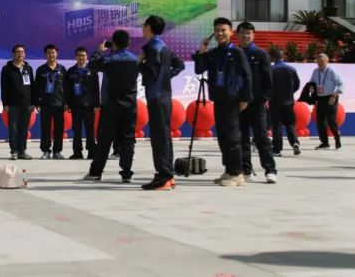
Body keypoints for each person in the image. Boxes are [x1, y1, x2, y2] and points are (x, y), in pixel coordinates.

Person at [193, 17, 252, 187]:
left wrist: (245, 98)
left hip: (233, 99)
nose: (219, 33)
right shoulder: (213, 53)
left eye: (223, 30)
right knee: (223, 137)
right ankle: (229, 170)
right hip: (218, 99)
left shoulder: (237, 52)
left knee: (233, 137)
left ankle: (237, 173)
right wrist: (202, 50)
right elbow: (199, 69)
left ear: (231, 32)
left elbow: (247, 76)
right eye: (217, 30)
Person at [83, 30, 139, 183]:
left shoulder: (110, 60)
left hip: (111, 106)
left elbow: (92, 65)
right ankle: (126, 173)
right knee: (128, 140)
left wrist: (99, 51)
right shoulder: (136, 60)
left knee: (104, 140)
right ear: (128, 43)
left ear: (113, 43)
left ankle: (96, 172)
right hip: (130, 106)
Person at [139, 15, 185, 190]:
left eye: (144, 25)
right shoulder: (163, 46)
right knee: (165, 136)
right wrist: (166, 77)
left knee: (159, 137)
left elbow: (150, 72)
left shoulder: (152, 48)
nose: (143, 29)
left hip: (156, 97)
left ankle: (163, 175)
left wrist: (139, 63)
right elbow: (179, 65)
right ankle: (168, 174)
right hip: (165, 96)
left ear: (149, 27)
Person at [236, 22, 277, 184]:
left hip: (257, 103)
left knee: (261, 137)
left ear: (253, 35)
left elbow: (268, 79)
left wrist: (264, 98)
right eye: (243, 33)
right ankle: (246, 170)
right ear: (237, 35)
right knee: (242, 138)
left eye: (249, 33)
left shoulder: (261, 54)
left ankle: (270, 170)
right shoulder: (234, 53)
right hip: (239, 103)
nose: (246, 36)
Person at [1, 44, 35, 160]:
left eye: (22, 52)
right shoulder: (7, 69)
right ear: (13, 54)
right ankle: (14, 151)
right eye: (18, 52)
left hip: (26, 104)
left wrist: (33, 102)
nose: (21, 54)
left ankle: (22, 151)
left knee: (24, 129)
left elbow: (32, 86)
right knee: (13, 129)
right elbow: (4, 88)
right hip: (13, 105)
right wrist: (5, 104)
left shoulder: (28, 68)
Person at [64, 46, 99, 160]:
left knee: (90, 130)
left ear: (87, 57)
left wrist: (96, 104)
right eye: (79, 55)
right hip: (75, 106)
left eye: (83, 55)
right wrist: (67, 103)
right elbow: (67, 89)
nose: (81, 58)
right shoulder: (70, 72)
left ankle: (92, 152)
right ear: (75, 57)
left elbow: (96, 89)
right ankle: (77, 152)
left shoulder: (92, 71)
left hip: (89, 106)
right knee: (76, 130)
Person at [34, 44, 67, 160]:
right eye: (49, 52)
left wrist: (66, 102)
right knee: (45, 128)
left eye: (53, 52)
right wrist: (36, 102)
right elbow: (36, 87)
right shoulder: (41, 70)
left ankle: (57, 151)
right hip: (45, 104)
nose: (51, 55)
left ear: (57, 54)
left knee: (59, 129)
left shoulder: (62, 69)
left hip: (59, 104)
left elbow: (66, 87)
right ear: (45, 54)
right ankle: (46, 151)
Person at [270, 48, 301, 156]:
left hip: (275, 101)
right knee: (290, 123)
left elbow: (267, 85)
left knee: (277, 126)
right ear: (283, 57)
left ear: (272, 58)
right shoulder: (291, 69)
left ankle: (277, 149)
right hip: (289, 101)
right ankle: (295, 142)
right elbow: (297, 84)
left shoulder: (271, 70)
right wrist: (290, 93)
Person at [310, 53, 344, 150]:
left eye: (321, 62)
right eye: (318, 62)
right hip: (320, 98)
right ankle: (324, 143)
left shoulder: (332, 71)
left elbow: (341, 84)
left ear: (327, 61)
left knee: (331, 120)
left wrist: (335, 95)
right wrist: (311, 88)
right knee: (320, 122)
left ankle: (337, 139)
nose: (319, 64)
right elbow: (311, 83)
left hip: (331, 97)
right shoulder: (315, 71)